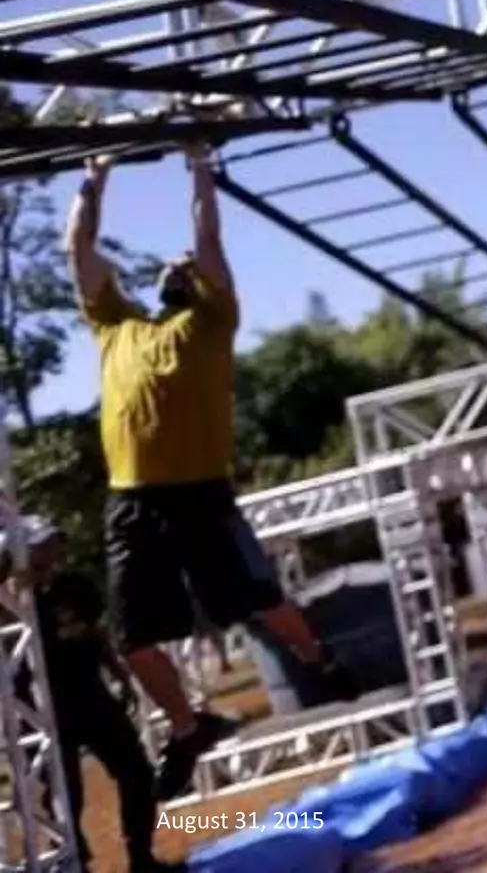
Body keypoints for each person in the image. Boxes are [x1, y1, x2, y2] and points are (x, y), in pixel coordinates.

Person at [67, 148, 359, 801]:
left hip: (201, 494)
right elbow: (77, 248)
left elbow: (207, 235)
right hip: (132, 501)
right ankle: (190, 724)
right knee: (133, 638)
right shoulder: (115, 326)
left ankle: (321, 661)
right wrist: (94, 177)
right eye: (171, 266)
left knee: (259, 599)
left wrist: (201, 167)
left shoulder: (212, 320)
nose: (177, 265)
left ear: (198, 283)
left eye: (186, 266)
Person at [4, 517, 182, 872]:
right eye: (42, 545)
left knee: (136, 770)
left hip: (90, 694)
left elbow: (95, 633)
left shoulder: (76, 585)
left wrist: (120, 675)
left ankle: (141, 857)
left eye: (55, 542)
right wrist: (17, 588)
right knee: (64, 792)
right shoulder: (11, 599)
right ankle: (75, 864)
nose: (53, 551)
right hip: (40, 709)